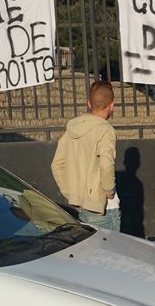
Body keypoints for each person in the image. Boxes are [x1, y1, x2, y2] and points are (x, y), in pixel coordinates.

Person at [51, 81, 121, 231]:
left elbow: (57, 165)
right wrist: (109, 190)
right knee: (109, 253)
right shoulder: (105, 131)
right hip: (104, 208)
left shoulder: (72, 128)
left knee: (90, 252)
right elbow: (106, 164)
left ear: (89, 103)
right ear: (112, 105)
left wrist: (70, 193)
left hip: (81, 204)